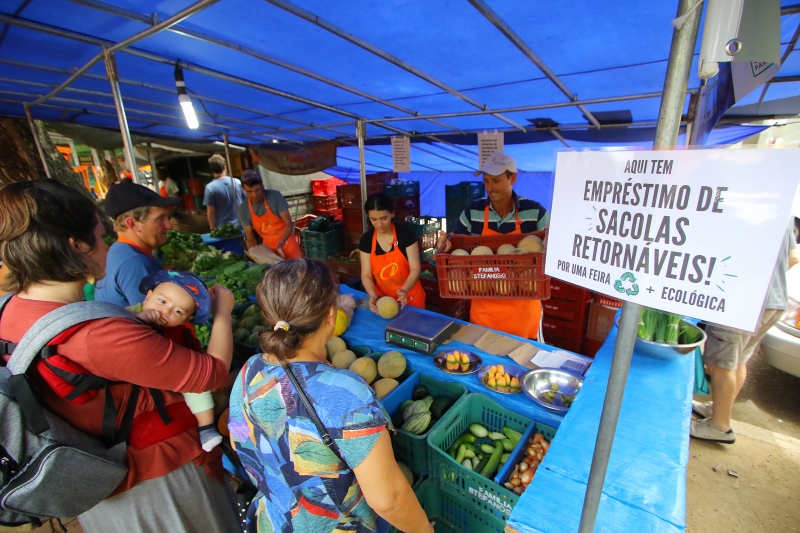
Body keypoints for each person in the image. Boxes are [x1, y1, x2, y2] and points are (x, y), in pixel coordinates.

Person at [0, 179, 240, 532]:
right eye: (100, 237)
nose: (107, 246)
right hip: (156, 481)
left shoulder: (10, 310)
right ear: (75, 245)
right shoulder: (96, 334)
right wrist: (222, 313)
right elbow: (212, 373)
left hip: (95, 477)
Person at [228, 259, 433, 533]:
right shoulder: (345, 393)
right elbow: (389, 500)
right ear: (330, 315)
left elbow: (239, 441)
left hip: (274, 523)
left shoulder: (250, 370)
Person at [691, 221, 799, 443]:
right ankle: (718, 409)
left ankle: (719, 426)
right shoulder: (782, 212)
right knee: (738, 361)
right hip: (774, 301)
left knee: (720, 365)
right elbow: (793, 257)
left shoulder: (743, 212)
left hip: (740, 302)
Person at [448, 152, 549, 339]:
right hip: (484, 311)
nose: (490, 188)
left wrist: (552, 240)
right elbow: (455, 244)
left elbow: (553, 248)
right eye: (486, 181)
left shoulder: (535, 212)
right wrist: (446, 244)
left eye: (495, 181)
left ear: (513, 179)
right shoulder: (473, 212)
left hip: (523, 312)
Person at [128, 270, 223, 452]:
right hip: (140, 383)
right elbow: (116, 323)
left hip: (175, 373)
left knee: (197, 389)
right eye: (162, 301)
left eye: (178, 311)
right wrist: (139, 320)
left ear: (186, 320)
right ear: (147, 297)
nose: (166, 311)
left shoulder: (181, 334)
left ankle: (206, 427)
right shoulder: (129, 314)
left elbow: (199, 363)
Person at [95, 181, 180, 307]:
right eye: (160, 219)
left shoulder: (118, 250)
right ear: (133, 224)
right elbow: (159, 316)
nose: (169, 225)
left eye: (167, 218)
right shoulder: (135, 263)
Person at [359, 192, 425, 311]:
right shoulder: (366, 240)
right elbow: (366, 275)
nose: (379, 224)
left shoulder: (405, 234)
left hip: (411, 298)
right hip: (384, 301)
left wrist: (404, 290)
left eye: (384, 218)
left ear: (392, 213)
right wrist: (373, 295)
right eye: (373, 219)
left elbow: (415, 269)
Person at [237, 169, 301, 259]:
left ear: (261, 184)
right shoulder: (243, 209)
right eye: (249, 191)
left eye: (257, 190)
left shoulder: (274, 196)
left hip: (287, 244)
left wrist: (280, 244)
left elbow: (289, 224)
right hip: (268, 250)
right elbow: (250, 236)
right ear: (243, 188)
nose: (254, 195)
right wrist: (254, 252)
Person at [203, 153, 247, 231]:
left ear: (212, 170)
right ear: (225, 168)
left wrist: (212, 229)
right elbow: (246, 202)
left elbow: (211, 212)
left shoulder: (210, 188)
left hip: (223, 229)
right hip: (241, 225)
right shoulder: (236, 182)